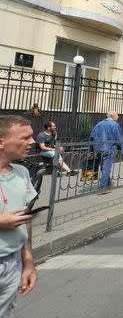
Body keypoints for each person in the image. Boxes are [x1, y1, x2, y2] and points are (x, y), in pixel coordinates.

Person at [0, 116, 38, 314]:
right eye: (25, 138)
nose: (32, 142)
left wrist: (28, 260)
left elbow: (26, 220)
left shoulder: (22, 173)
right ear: (1, 142)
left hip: (13, 262)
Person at [89, 111, 123, 195]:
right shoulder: (114, 125)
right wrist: (122, 148)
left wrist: (91, 150)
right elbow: (119, 138)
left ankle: (107, 183)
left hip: (98, 149)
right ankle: (102, 188)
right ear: (113, 116)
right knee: (106, 168)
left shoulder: (98, 124)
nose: (118, 116)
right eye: (117, 115)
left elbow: (91, 137)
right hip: (109, 149)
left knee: (104, 167)